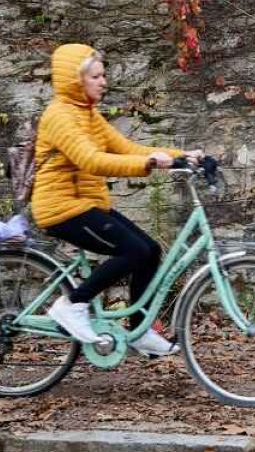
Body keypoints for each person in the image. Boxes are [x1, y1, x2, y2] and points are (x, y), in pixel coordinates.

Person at [30, 43, 202, 356]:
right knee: (133, 249)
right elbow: (92, 160)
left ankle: (138, 330)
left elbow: (126, 147)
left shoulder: (88, 114)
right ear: (75, 80)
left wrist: (184, 157)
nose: (103, 81)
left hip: (86, 204)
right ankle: (73, 304)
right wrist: (148, 165)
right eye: (95, 76)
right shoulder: (59, 116)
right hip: (61, 208)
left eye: (103, 75)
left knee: (149, 250)